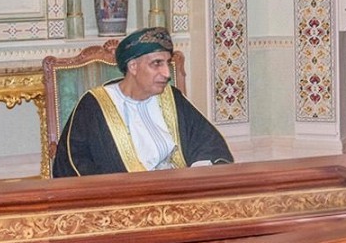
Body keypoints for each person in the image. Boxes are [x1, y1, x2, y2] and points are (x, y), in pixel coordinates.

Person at [52, 27, 233, 177]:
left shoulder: (172, 97)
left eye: (167, 63)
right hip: (125, 200)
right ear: (133, 66)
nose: (167, 73)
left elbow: (209, 144)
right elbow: (74, 163)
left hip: (179, 191)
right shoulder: (94, 106)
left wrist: (198, 175)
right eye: (157, 63)